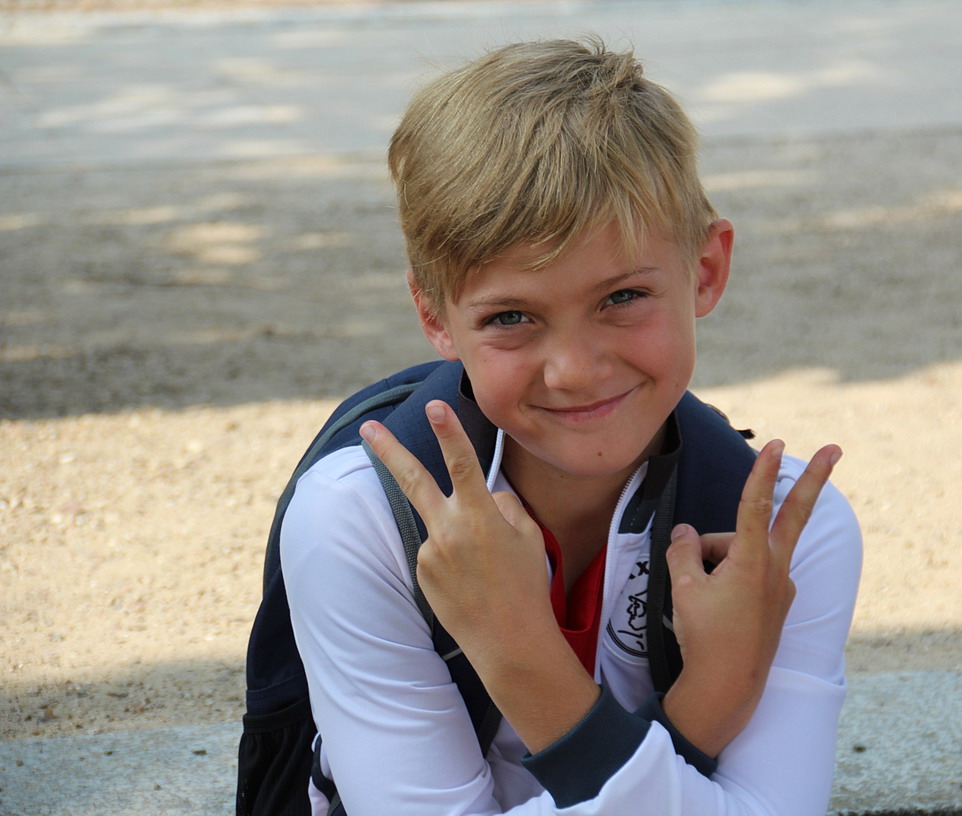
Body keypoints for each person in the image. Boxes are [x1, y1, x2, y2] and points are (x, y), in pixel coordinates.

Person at [281, 37, 862, 815]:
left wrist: (542, 675)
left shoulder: (781, 529)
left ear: (705, 271)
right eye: (510, 317)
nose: (576, 370)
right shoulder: (361, 521)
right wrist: (704, 706)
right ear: (434, 315)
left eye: (621, 298)